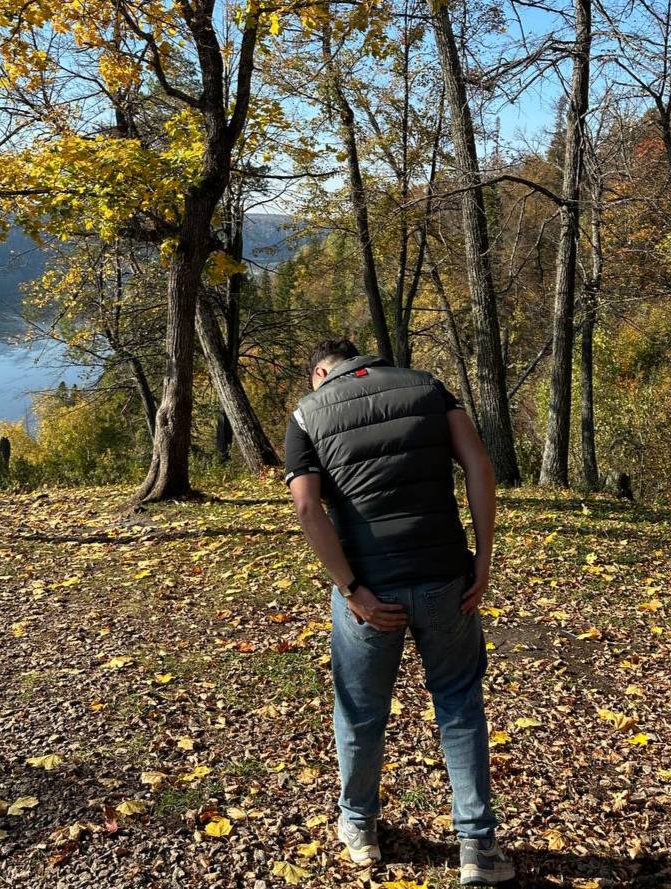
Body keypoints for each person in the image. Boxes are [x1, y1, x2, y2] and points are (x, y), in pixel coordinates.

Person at [284, 338, 515, 886]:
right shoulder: (429, 388)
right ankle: (478, 847)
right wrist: (482, 558)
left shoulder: (307, 414)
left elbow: (307, 508)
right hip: (444, 577)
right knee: (458, 703)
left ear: (321, 373)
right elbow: (479, 466)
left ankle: (360, 828)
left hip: (371, 590)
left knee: (360, 711)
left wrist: (351, 589)